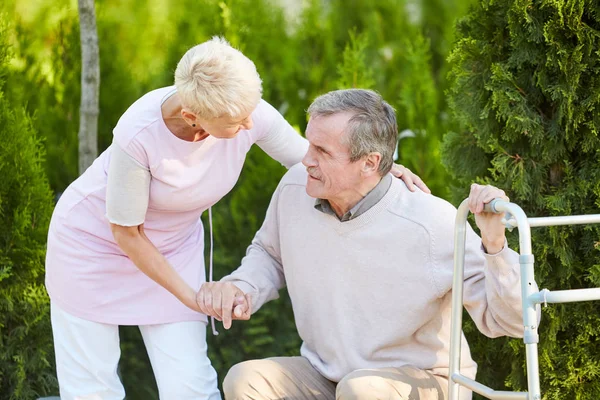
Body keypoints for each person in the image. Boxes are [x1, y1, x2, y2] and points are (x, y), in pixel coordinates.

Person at [45, 38, 427, 400]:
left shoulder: (246, 111)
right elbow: (127, 233)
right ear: (193, 117)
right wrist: (192, 297)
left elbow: (307, 160)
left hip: (173, 249)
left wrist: (377, 169)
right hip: (92, 250)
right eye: (238, 122)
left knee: (189, 383)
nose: (250, 125)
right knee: (92, 388)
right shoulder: (138, 134)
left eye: (251, 113)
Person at [197, 89, 538, 400]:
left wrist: (494, 244)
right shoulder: (293, 189)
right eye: (308, 144)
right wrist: (241, 288)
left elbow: (508, 320)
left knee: (361, 389)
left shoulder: (429, 221)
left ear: (369, 163)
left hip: (424, 381)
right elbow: (270, 255)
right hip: (328, 377)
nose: (305, 160)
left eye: (321, 151)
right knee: (245, 380)